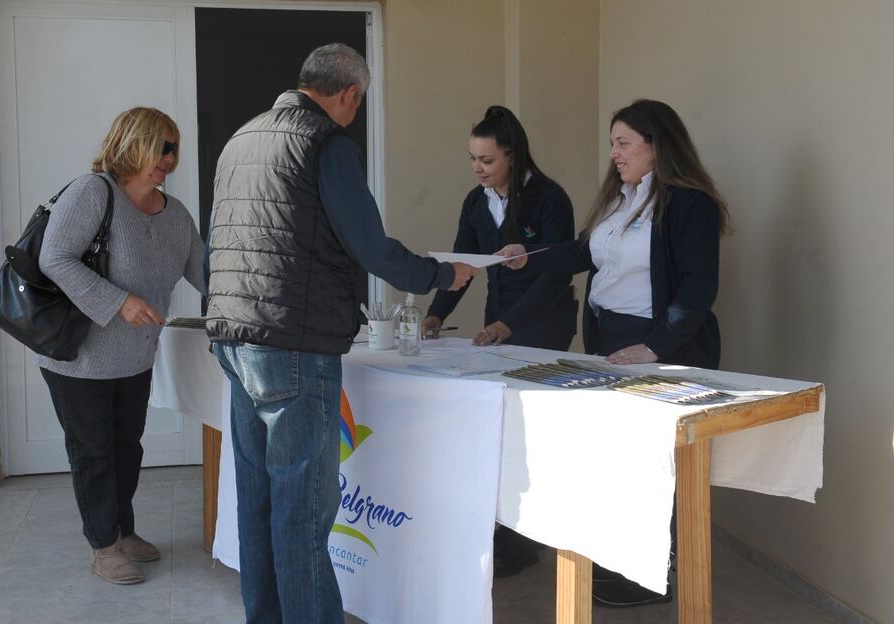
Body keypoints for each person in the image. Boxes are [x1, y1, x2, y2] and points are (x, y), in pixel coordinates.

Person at [204, 43, 477, 623]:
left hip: (234, 337)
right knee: (301, 509)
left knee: (258, 501)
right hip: (293, 344)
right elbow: (370, 246)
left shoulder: (241, 139)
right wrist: (441, 274)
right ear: (348, 95)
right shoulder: (325, 142)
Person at [498, 98, 731, 606]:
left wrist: (656, 346)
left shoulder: (689, 203)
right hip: (610, 339)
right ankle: (631, 562)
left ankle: (659, 572)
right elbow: (585, 253)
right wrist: (528, 257)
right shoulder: (620, 198)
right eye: (612, 144)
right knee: (622, 454)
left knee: (659, 458)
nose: (614, 154)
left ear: (657, 145)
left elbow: (697, 289)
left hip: (658, 343)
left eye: (623, 143)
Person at [37, 107, 206, 584]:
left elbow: (205, 272)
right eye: (162, 147)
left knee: (126, 448)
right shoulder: (93, 193)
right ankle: (103, 546)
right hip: (78, 357)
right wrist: (119, 302)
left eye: (174, 149)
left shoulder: (175, 214)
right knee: (94, 452)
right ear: (133, 142)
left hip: (134, 357)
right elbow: (55, 258)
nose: (170, 159)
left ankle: (122, 529)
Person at [421, 105, 577, 577]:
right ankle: (501, 536)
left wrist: (509, 325)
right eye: (472, 158)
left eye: (486, 160)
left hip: (542, 324)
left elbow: (556, 274)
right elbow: (463, 266)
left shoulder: (550, 198)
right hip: (498, 321)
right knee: (497, 427)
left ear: (512, 155)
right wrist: (435, 313)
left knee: (530, 432)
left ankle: (528, 538)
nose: (478, 168)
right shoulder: (476, 200)